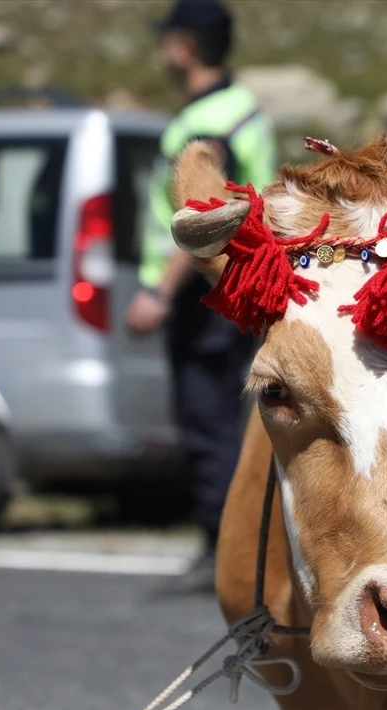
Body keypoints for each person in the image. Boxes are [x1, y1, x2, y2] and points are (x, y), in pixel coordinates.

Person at [126, 0, 277, 593]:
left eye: (168, 41)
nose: (163, 51)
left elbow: (205, 217)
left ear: (185, 48)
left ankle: (222, 552)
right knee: (223, 419)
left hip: (206, 293)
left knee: (207, 421)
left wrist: (159, 294)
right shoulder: (242, 110)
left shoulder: (207, 125)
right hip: (234, 288)